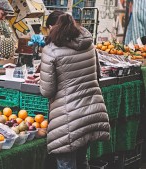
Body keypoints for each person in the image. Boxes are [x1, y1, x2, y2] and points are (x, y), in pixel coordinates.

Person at [39, 13, 110, 169]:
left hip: (68, 117)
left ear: (52, 27)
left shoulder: (51, 50)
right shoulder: (90, 46)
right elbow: (98, 75)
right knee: (81, 159)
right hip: (91, 112)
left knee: (66, 164)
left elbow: (47, 90)